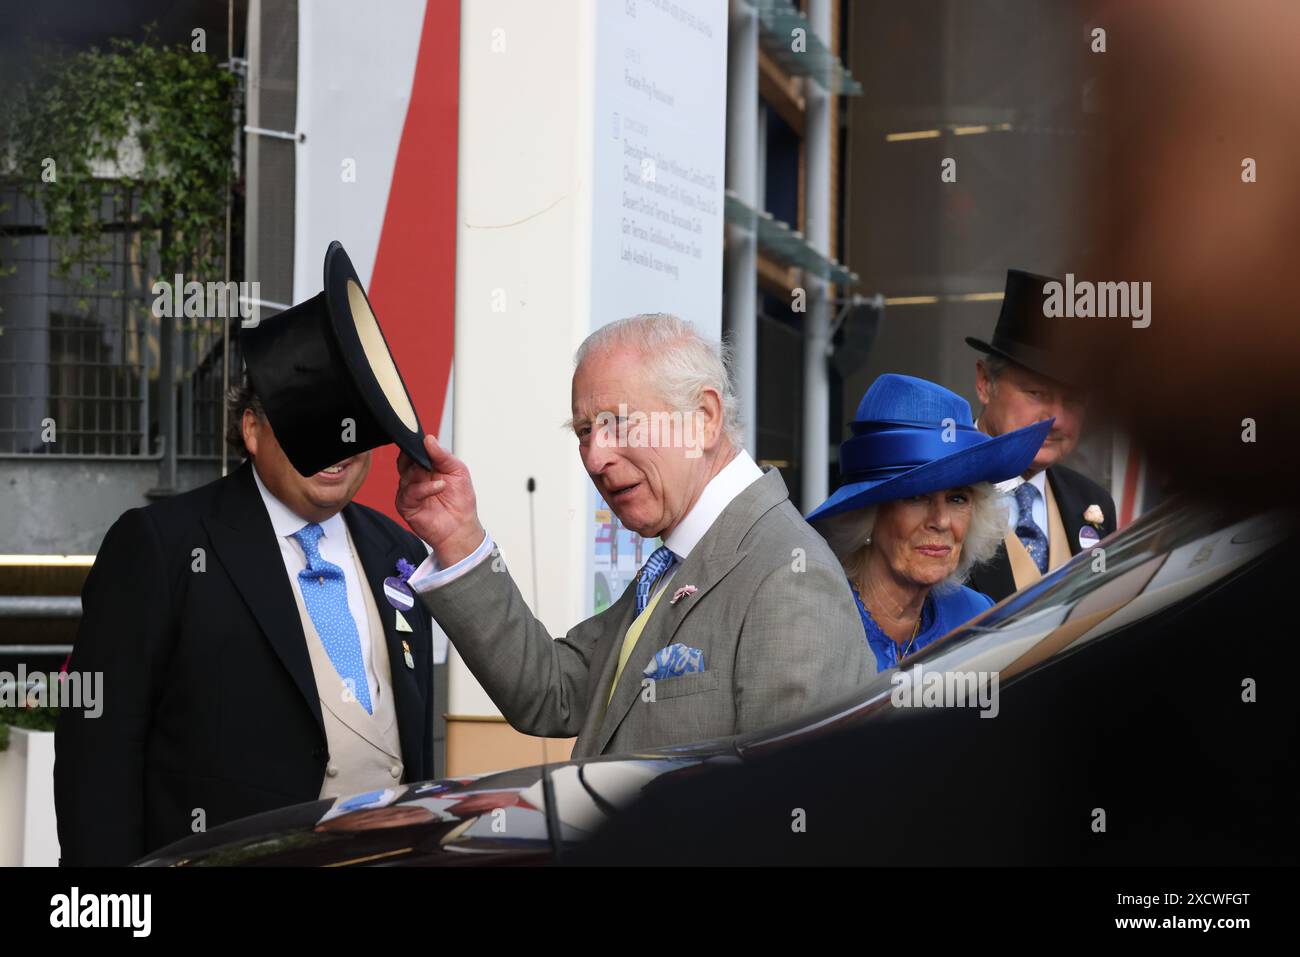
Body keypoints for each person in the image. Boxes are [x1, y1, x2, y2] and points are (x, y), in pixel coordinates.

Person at [56, 242, 438, 865]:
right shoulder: (162, 546)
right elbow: (97, 754)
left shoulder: (398, 550)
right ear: (253, 428)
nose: (337, 445)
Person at [395, 313, 870, 757]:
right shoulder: (682, 559)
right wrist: (458, 537)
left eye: (618, 422)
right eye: (584, 431)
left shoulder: (788, 574)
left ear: (704, 418)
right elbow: (552, 694)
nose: (595, 457)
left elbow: (794, 806)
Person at [807, 374, 1050, 672]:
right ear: (866, 513)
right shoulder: (814, 621)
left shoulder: (976, 618)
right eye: (916, 498)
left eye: (958, 498)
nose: (942, 521)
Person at [965, 269, 1118, 602]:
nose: (1057, 420)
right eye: (1036, 393)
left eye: (1074, 401)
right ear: (984, 383)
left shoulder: (1093, 503)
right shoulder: (931, 493)